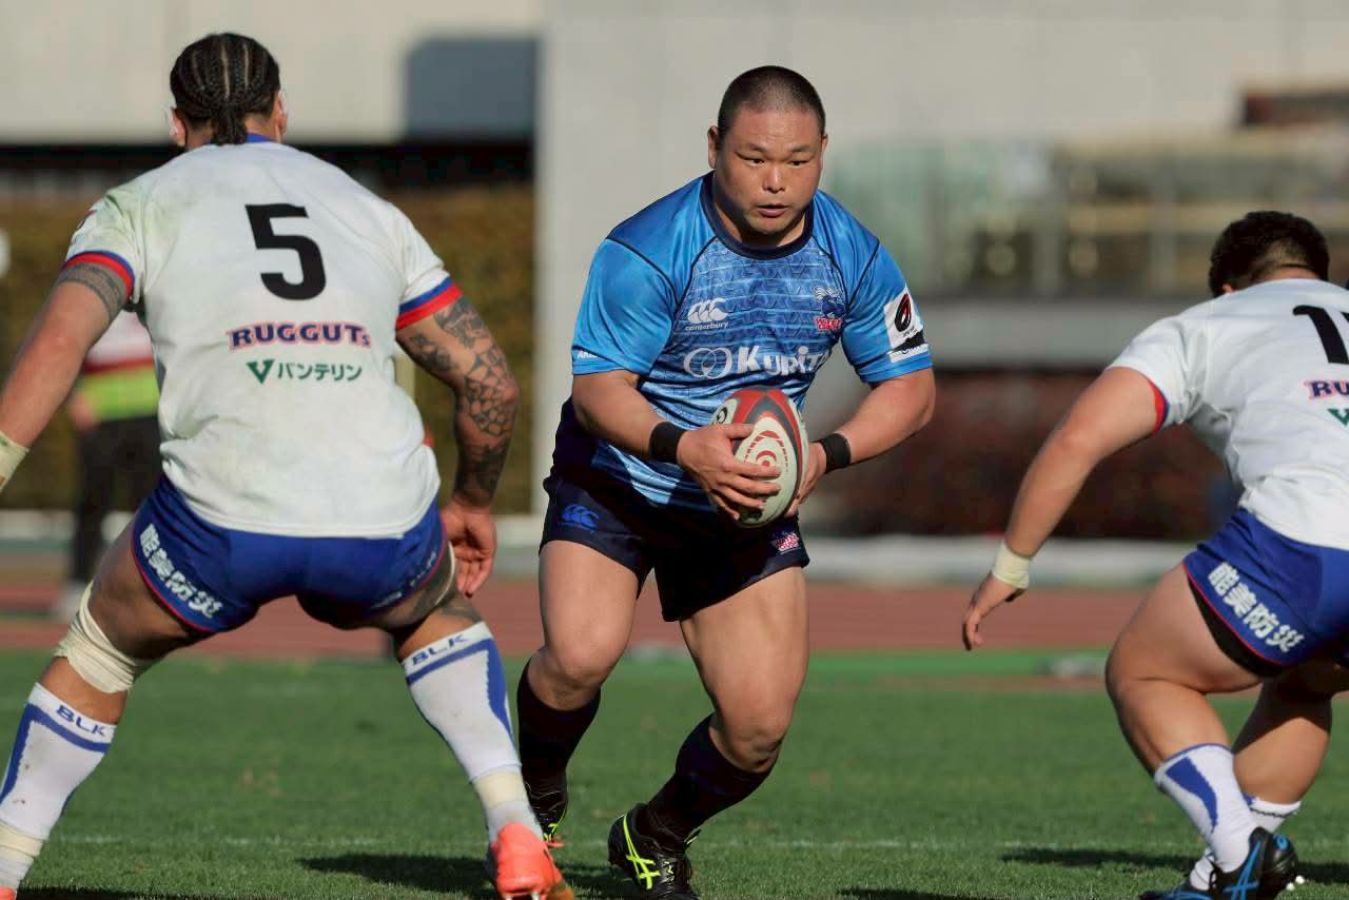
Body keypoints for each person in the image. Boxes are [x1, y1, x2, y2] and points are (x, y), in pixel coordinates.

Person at [0, 33, 569, 900]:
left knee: (101, 650)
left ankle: (4, 865)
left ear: (177, 125)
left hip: (221, 523)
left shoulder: (138, 204)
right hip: (380, 516)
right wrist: (471, 501)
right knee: (437, 614)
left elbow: (58, 344)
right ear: (282, 114)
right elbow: (488, 379)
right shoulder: (367, 207)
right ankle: (517, 830)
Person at [518, 66, 936, 898]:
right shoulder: (648, 247)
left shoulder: (851, 253)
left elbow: (912, 389)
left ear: (822, 154)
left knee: (756, 730)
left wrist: (824, 455)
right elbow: (599, 393)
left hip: (741, 506)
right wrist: (687, 449)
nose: (775, 181)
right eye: (753, 158)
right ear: (714, 147)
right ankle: (534, 789)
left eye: (797, 160)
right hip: (621, 480)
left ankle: (654, 834)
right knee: (578, 657)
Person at [961, 210, 1349, 898]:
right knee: (1307, 678)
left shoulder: (1208, 324)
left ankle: (1238, 852)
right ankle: (1222, 877)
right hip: (1319, 546)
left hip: (1308, 537)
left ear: (1226, 286)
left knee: (1145, 671)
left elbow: (1079, 438)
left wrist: (1010, 565)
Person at [58, 310, 161, 621]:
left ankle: (153, 587)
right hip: (100, 410)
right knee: (92, 501)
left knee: (151, 504)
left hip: (150, 408)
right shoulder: (91, 288)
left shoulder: (157, 287)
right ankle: (78, 584)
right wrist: (73, 392)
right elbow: (67, 337)